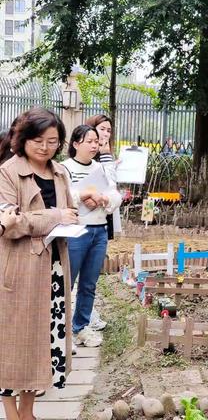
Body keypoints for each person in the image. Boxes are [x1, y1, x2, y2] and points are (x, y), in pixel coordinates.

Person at [0, 107, 78, 420]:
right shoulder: (7, 171)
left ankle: (29, 410)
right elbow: (12, 223)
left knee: (42, 339)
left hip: (54, 267)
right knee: (11, 341)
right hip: (17, 268)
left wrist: (68, 218)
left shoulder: (59, 172)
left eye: (52, 141)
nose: (45, 148)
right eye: (38, 140)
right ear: (23, 139)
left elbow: (69, 211)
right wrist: (55, 217)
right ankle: (10, 411)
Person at [62, 125, 122, 348]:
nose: (95, 145)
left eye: (97, 141)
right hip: (75, 231)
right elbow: (63, 195)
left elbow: (115, 194)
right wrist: (83, 195)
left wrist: (103, 199)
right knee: (67, 281)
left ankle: (80, 327)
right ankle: (60, 329)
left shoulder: (103, 168)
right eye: (89, 141)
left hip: (98, 230)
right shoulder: (64, 169)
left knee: (89, 283)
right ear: (76, 143)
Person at [85, 114, 118, 331]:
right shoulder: (90, 158)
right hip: (86, 219)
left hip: (102, 218)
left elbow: (112, 187)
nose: (105, 134)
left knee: (91, 274)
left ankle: (87, 315)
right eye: (102, 129)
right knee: (83, 275)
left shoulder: (105, 155)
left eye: (108, 130)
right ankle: (85, 317)